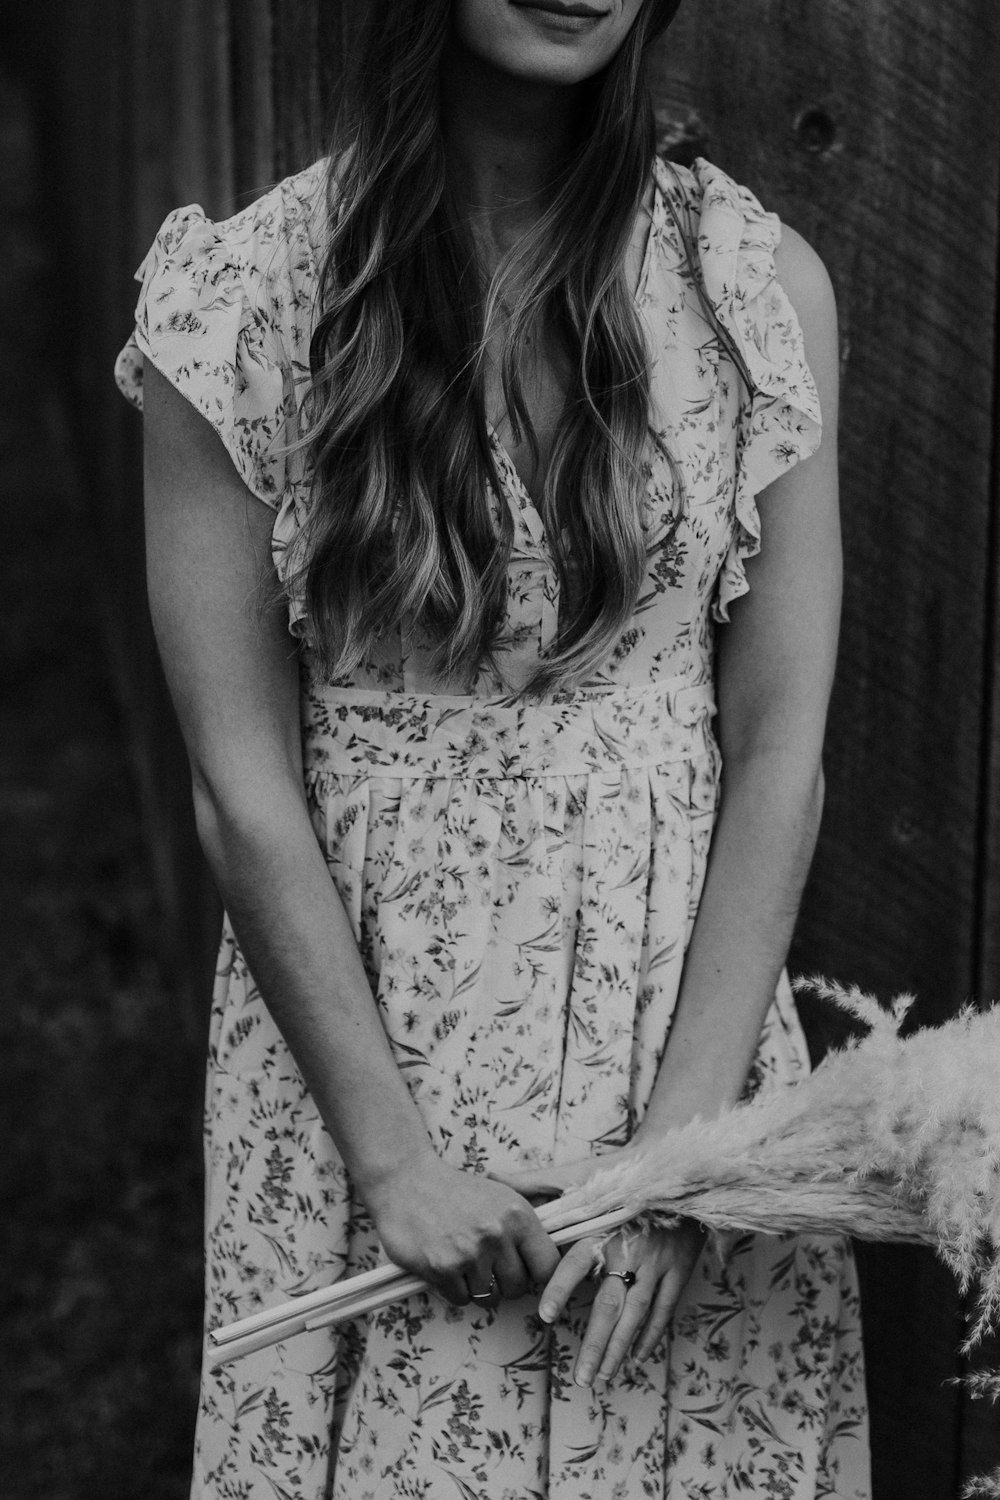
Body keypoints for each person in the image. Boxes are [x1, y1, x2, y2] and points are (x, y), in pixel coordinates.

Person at [115, 1, 871, 1496]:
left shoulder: (750, 287)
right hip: (372, 1058)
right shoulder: (244, 298)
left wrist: (687, 1161)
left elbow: (782, 743)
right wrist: (393, 1164)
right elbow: (241, 784)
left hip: (683, 1044)